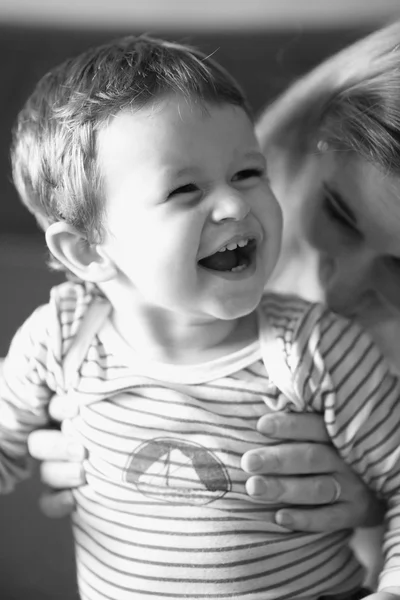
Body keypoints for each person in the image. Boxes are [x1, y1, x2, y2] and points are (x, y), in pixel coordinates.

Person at [3, 31, 400, 600]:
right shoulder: (62, 336)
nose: (236, 203)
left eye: (247, 174)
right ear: (88, 252)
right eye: (185, 188)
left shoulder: (315, 349)